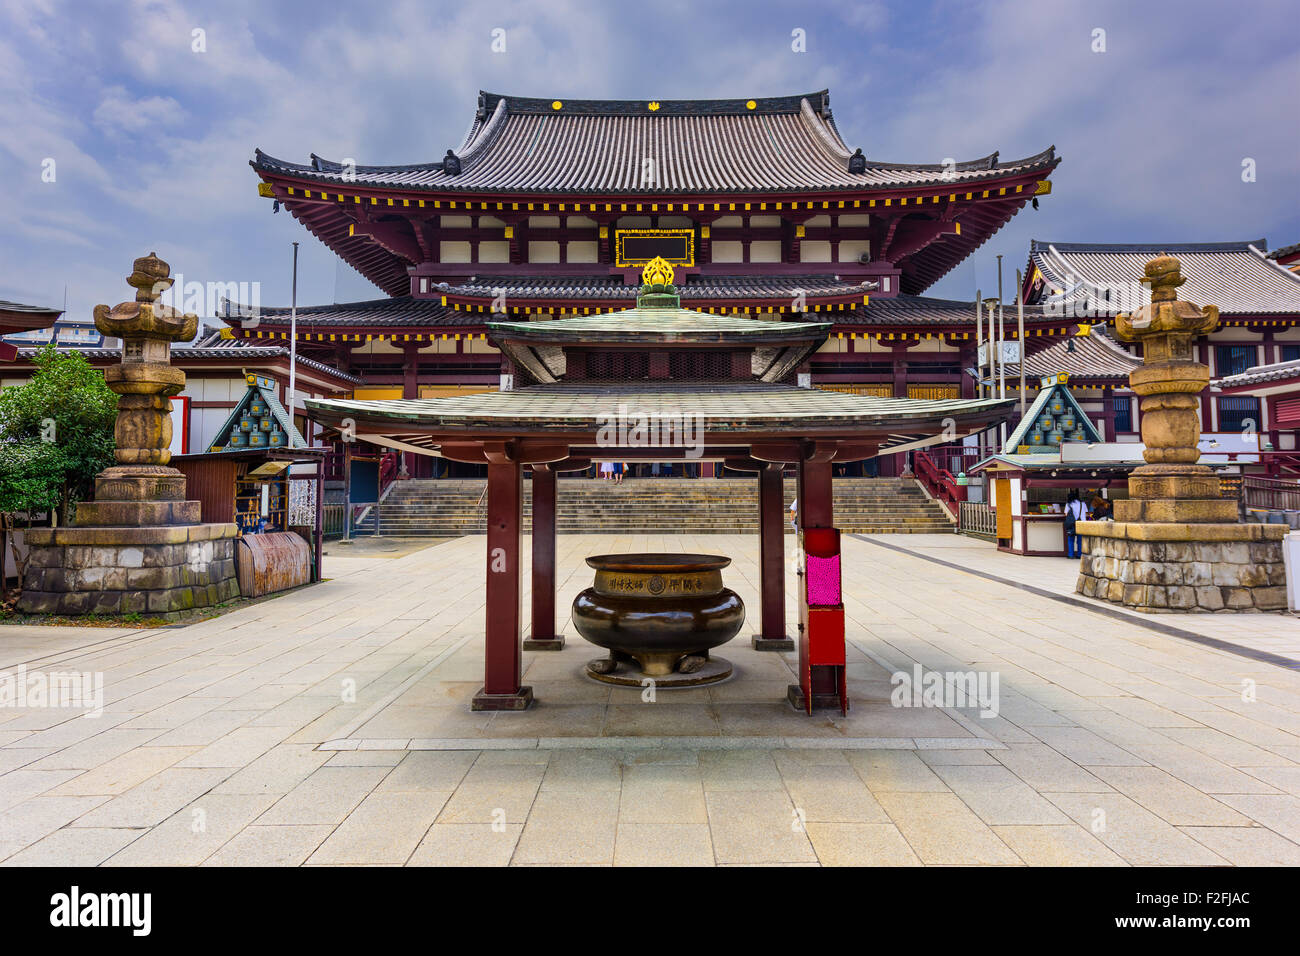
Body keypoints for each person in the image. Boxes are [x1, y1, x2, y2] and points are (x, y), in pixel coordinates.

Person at [1064, 490, 1087, 558]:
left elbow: (1066, 514)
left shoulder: (1068, 504)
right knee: (1080, 540)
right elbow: (1086, 513)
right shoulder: (1082, 503)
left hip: (1072, 524)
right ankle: (1079, 555)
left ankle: (1071, 555)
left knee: (1071, 540)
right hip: (1081, 523)